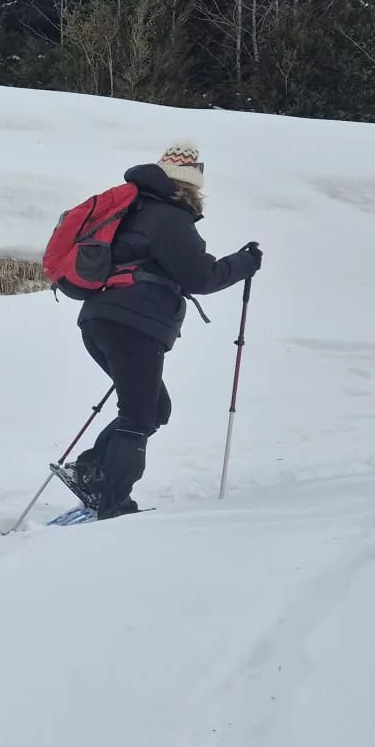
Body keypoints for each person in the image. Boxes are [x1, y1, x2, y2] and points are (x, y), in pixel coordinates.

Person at [63, 143, 259, 519]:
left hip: (103, 319)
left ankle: (92, 471)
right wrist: (245, 263)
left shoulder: (136, 211)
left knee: (154, 407)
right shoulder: (168, 217)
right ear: (187, 185)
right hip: (133, 323)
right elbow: (201, 276)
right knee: (139, 415)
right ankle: (113, 502)